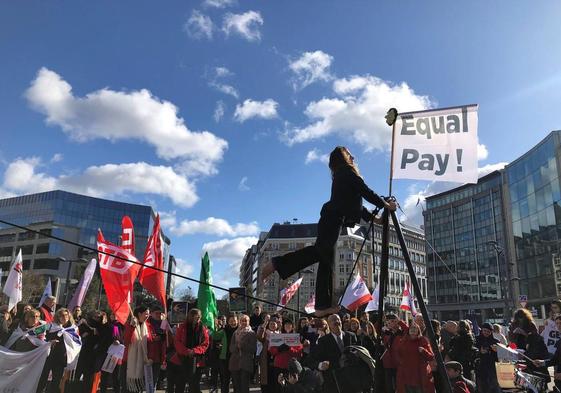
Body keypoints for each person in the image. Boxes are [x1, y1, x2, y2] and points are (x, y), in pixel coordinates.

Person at [261, 146, 395, 317]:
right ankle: (278, 265)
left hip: (332, 219)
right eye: (350, 154)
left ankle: (320, 305)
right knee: (322, 256)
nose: (353, 157)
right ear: (344, 157)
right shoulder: (347, 171)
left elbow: (353, 205)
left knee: (323, 258)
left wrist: (376, 218)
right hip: (332, 219)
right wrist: (385, 204)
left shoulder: (341, 176)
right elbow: (366, 192)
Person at [305, 314, 358, 393]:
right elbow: (309, 360)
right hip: (333, 382)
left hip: (351, 381)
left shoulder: (351, 336)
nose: (336, 322)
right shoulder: (323, 341)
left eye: (338, 319)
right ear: (328, 324)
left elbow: (359, 354)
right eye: (333, 320)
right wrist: (320, 365)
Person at [168, 308, 210, 393]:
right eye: (194, 317)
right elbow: (177, 342)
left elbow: (205, 343)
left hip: (197, 360)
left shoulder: (202, 328)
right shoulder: (182, 327)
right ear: (190, 317)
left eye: (198, 317)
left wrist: (195, 351)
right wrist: (187, 351)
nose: (196, 319)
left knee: (194, 385)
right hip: (181, 360)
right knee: (180, 385)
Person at [37, 308, 76, 393]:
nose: (64, 317)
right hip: (48, 356)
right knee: (42, 380)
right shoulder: (50, 325)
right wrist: (47, 342)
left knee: (56, 382)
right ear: (57, 317)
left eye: (66, 315)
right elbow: (35, 331)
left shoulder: (72, 329)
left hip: (60, 358)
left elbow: (76, 344)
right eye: (61, 315)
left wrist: (69, 352)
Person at [394, 323, 435, 393]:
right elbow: (397, 354)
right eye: (411, 328)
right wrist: (401, 362)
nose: (413, 330)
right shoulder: (403, 340)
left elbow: (431, 357)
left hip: (419, 374)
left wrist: (423, 351)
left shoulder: (423, 340)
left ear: (418, 330)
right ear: (408, 330)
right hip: (406, 373)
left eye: (415, 328)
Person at [270, 319, 304, 387]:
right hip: (279, 365)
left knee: (291, 387)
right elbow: (272, 351)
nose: (288, 326)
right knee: (278, 386)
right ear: (283, 326)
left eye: (289, 325)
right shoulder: (277, 336)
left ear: (292, 326)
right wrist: (279, 349)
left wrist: (289, 349)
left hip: (291, 366)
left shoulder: (295, 337)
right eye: (286, 325)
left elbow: (299, 353)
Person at [229, 314, 257, 393]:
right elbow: (231, 348)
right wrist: (236, 346)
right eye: (242, 321)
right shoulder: (235, 333)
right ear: (240, 322)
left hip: (246, 363)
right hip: (235, 362)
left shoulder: (252, 333)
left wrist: (243, 345)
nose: (244, 322)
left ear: (249, 322)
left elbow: (253, 349)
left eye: (246, 321)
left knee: (244, 387)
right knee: (236, 387)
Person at [381, 313, 408, 393]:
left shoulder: (402, 333)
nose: (390, 324)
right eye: (388, 323)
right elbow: (375, 330)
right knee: (389, 385)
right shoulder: (386, 333)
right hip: (388, 363)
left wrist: (399, 322)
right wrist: (381, 320)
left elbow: (408, 330)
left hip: (399, 363)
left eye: (393, 321)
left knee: (399, 385)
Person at [214, 313, 238, 393]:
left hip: (236, 358)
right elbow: (215, 336)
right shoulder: (224, 330)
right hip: (225, 358)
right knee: (225, 380)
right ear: (228, 322)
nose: (233, 323)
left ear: (237, 321)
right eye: (231, 321)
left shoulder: (240, 330)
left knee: (236, 381)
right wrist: (215, 327)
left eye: (234, 321)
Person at [256, 314, 279, 393]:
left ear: (277, 325)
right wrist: (265, 322)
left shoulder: (280, 334)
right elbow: (259, 336)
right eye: (271, 323)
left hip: (277, 359)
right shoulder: (265, 333)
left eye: (274, 324)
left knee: (275, 379)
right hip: (267, 358)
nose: (272, 325)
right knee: (266, 379)